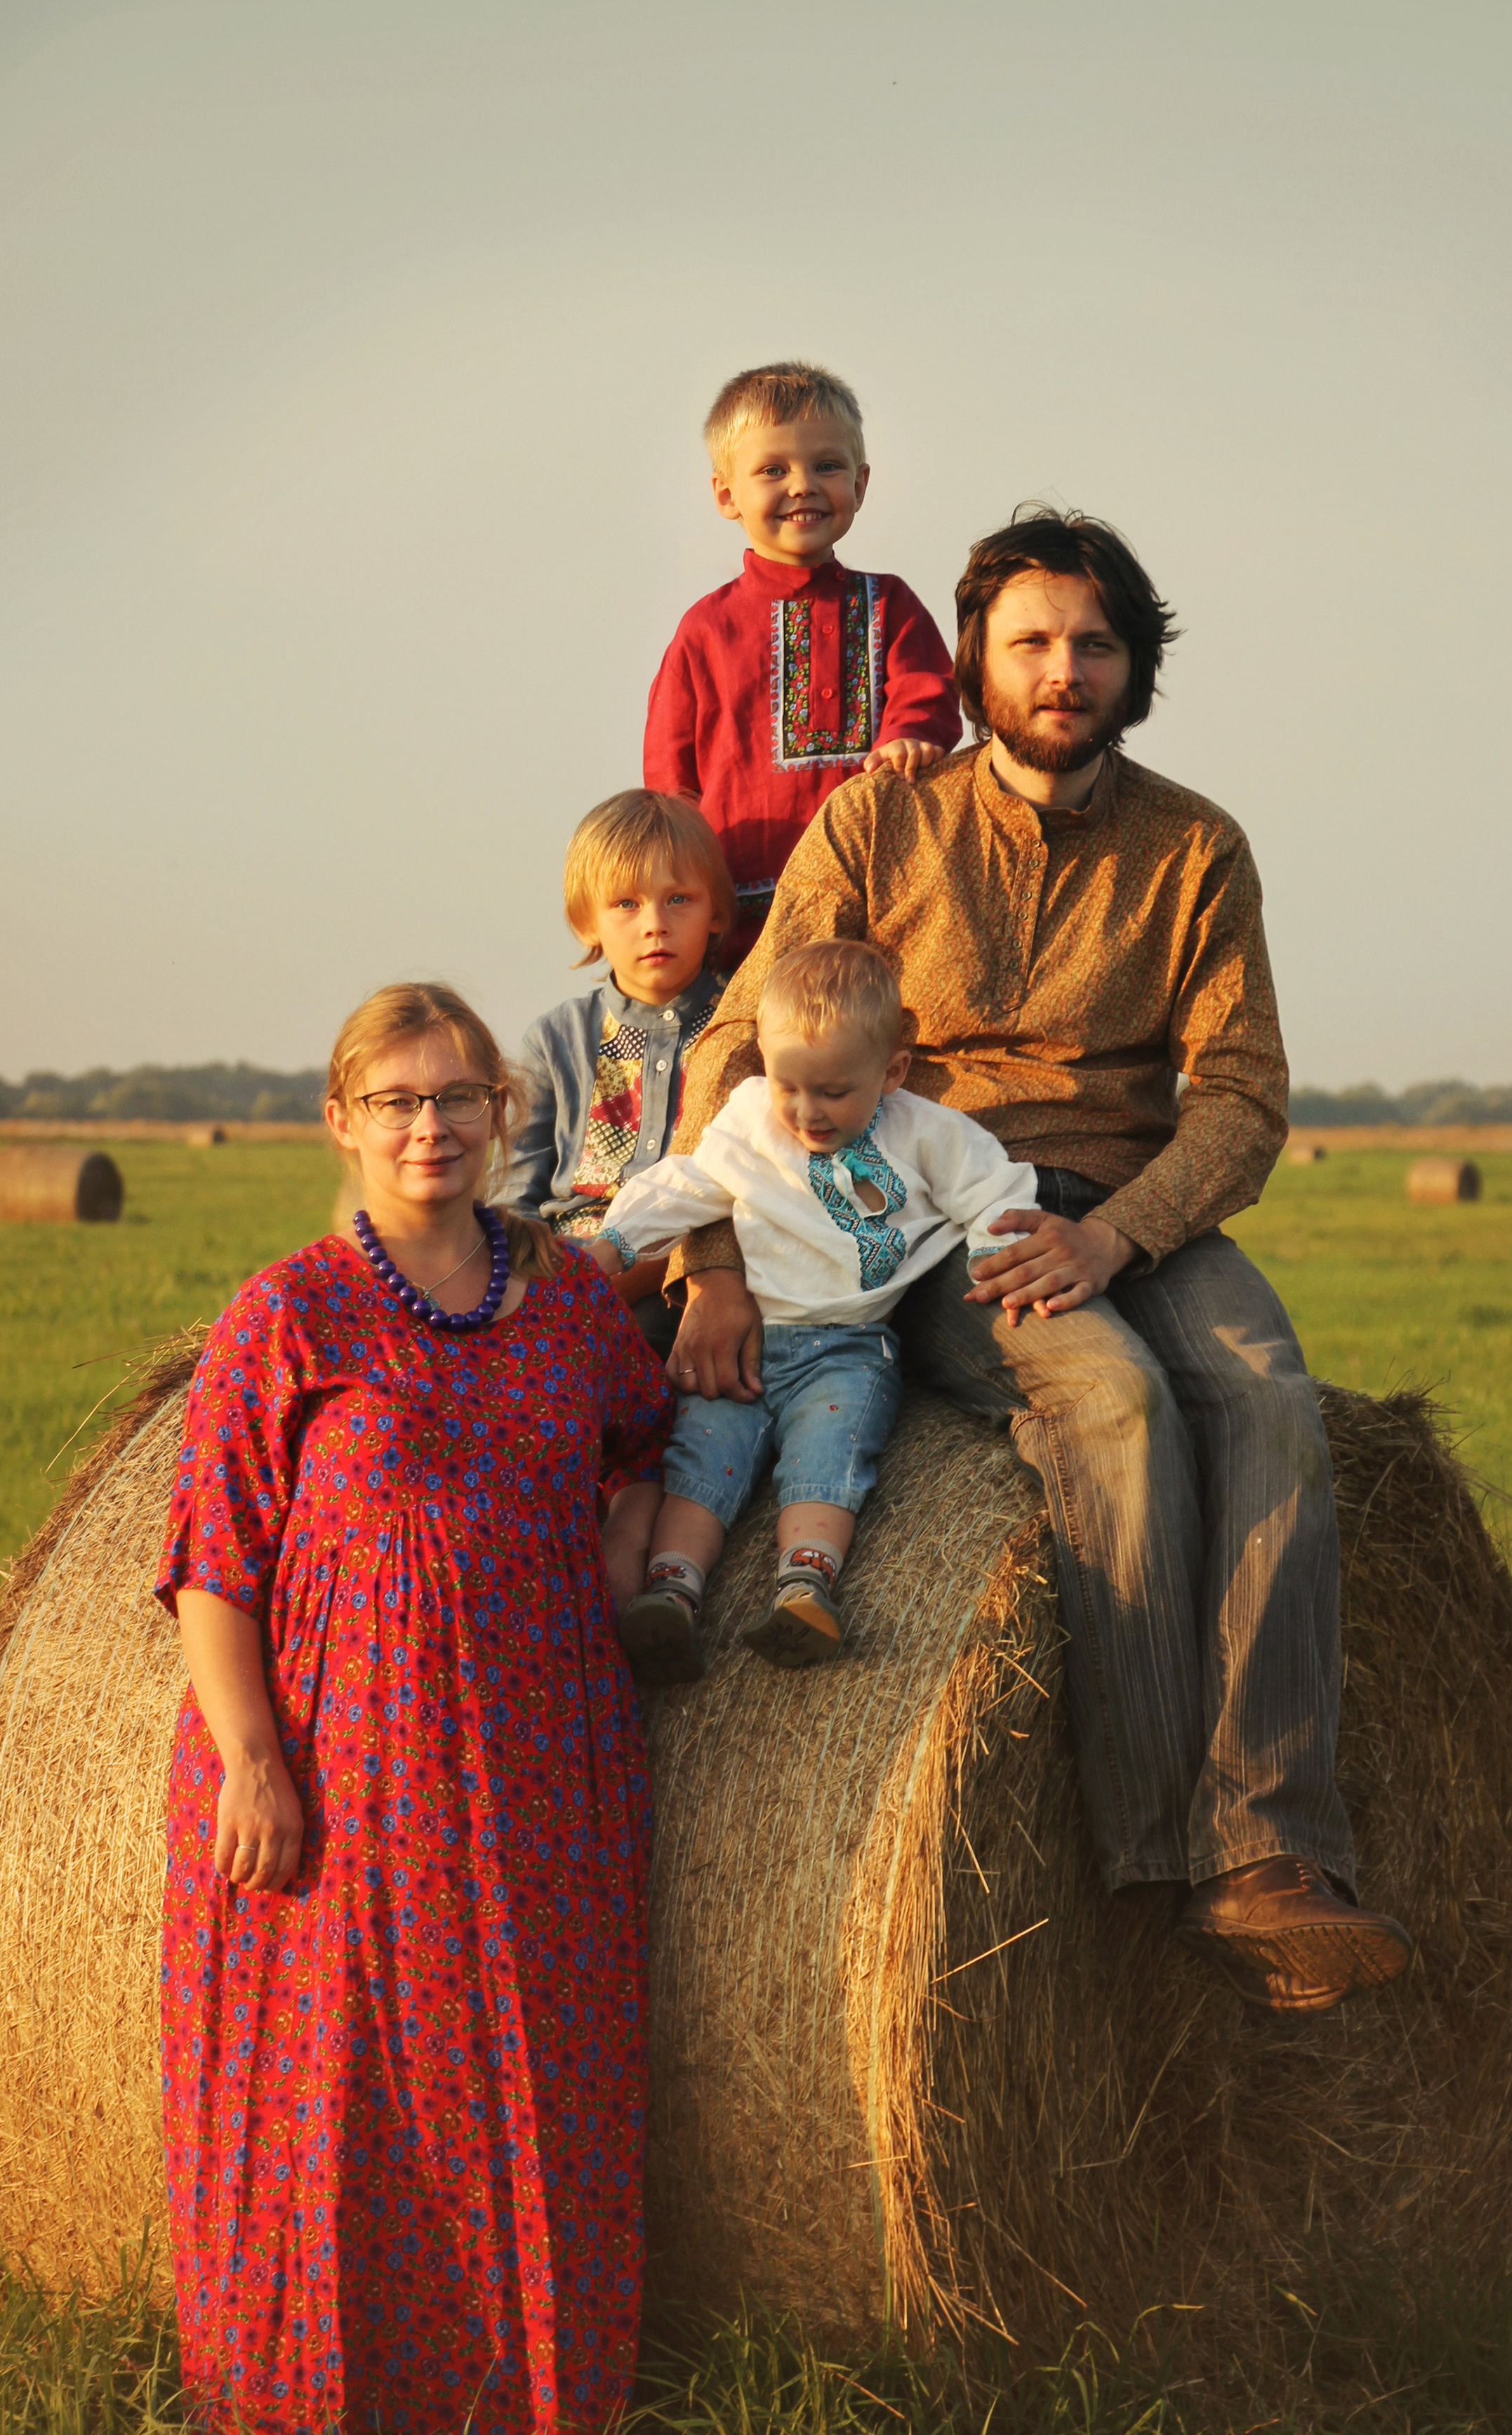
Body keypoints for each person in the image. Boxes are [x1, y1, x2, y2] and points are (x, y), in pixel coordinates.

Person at [656, 508, 1415, 2017]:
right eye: (1029, 642)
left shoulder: (1195, 847)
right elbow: (743, 1033)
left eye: (1092, 644)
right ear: (978, 660)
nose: (1061, 669)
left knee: (1266, 1395)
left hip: (1138, 1205)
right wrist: (709, 1256)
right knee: (1113, 1407)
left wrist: (1118, 1231)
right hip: (939, 1208)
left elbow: (1244, 1093)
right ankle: (1143, 1867)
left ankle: (1268, 1852)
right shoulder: (880, 827)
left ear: (1134, 668)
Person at [157, 981, 672, 2435]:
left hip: (541, 1754)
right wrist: (252, 1763)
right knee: (348, 2083)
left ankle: (523, 2421)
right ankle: (313, 2416)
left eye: (454, 1097)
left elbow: (638, 1439)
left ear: (501, 1114)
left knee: (533, 2074)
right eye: (395, 1100)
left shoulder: (571, 1295)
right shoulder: (288, 1311)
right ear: (344, 1121)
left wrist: (622, 1557)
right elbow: (215, 1561)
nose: (428, 1126)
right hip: (340, 1764)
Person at [580, 937, 1037, 1682]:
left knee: (828, 1459)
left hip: (849, 1349)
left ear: (891, 1071)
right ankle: (672, 1594)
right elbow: (689, 1183)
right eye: (789, 1085)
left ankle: (805, 1586)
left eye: (833, 1092)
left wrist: (993, 1255)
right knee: (702, 1455)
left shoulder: (926, 1133)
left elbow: (996, 1188)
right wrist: (617, 1246)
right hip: (751, 1343)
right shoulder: (754, 1118)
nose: (807, 1111)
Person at [643, 361, 962, 966]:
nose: (802, 485)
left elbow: (930, 696)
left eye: (827, 466)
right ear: (726, 495)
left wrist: (910, 740)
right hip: (742, 922)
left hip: (879, 908)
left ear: (861, 484)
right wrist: (678, 878)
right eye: (772, 470)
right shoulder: (705, 631)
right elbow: (669, 778)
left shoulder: (889, 604)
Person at [503, 788, 735, 1355]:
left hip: (680, 1267)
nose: (654, 924)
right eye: (627, 904)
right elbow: (516, 1193)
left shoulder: (740, 1028)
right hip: (563, 1268)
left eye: (678, 899)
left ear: (717, 914)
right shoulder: (556, 1040)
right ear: (588, 922)